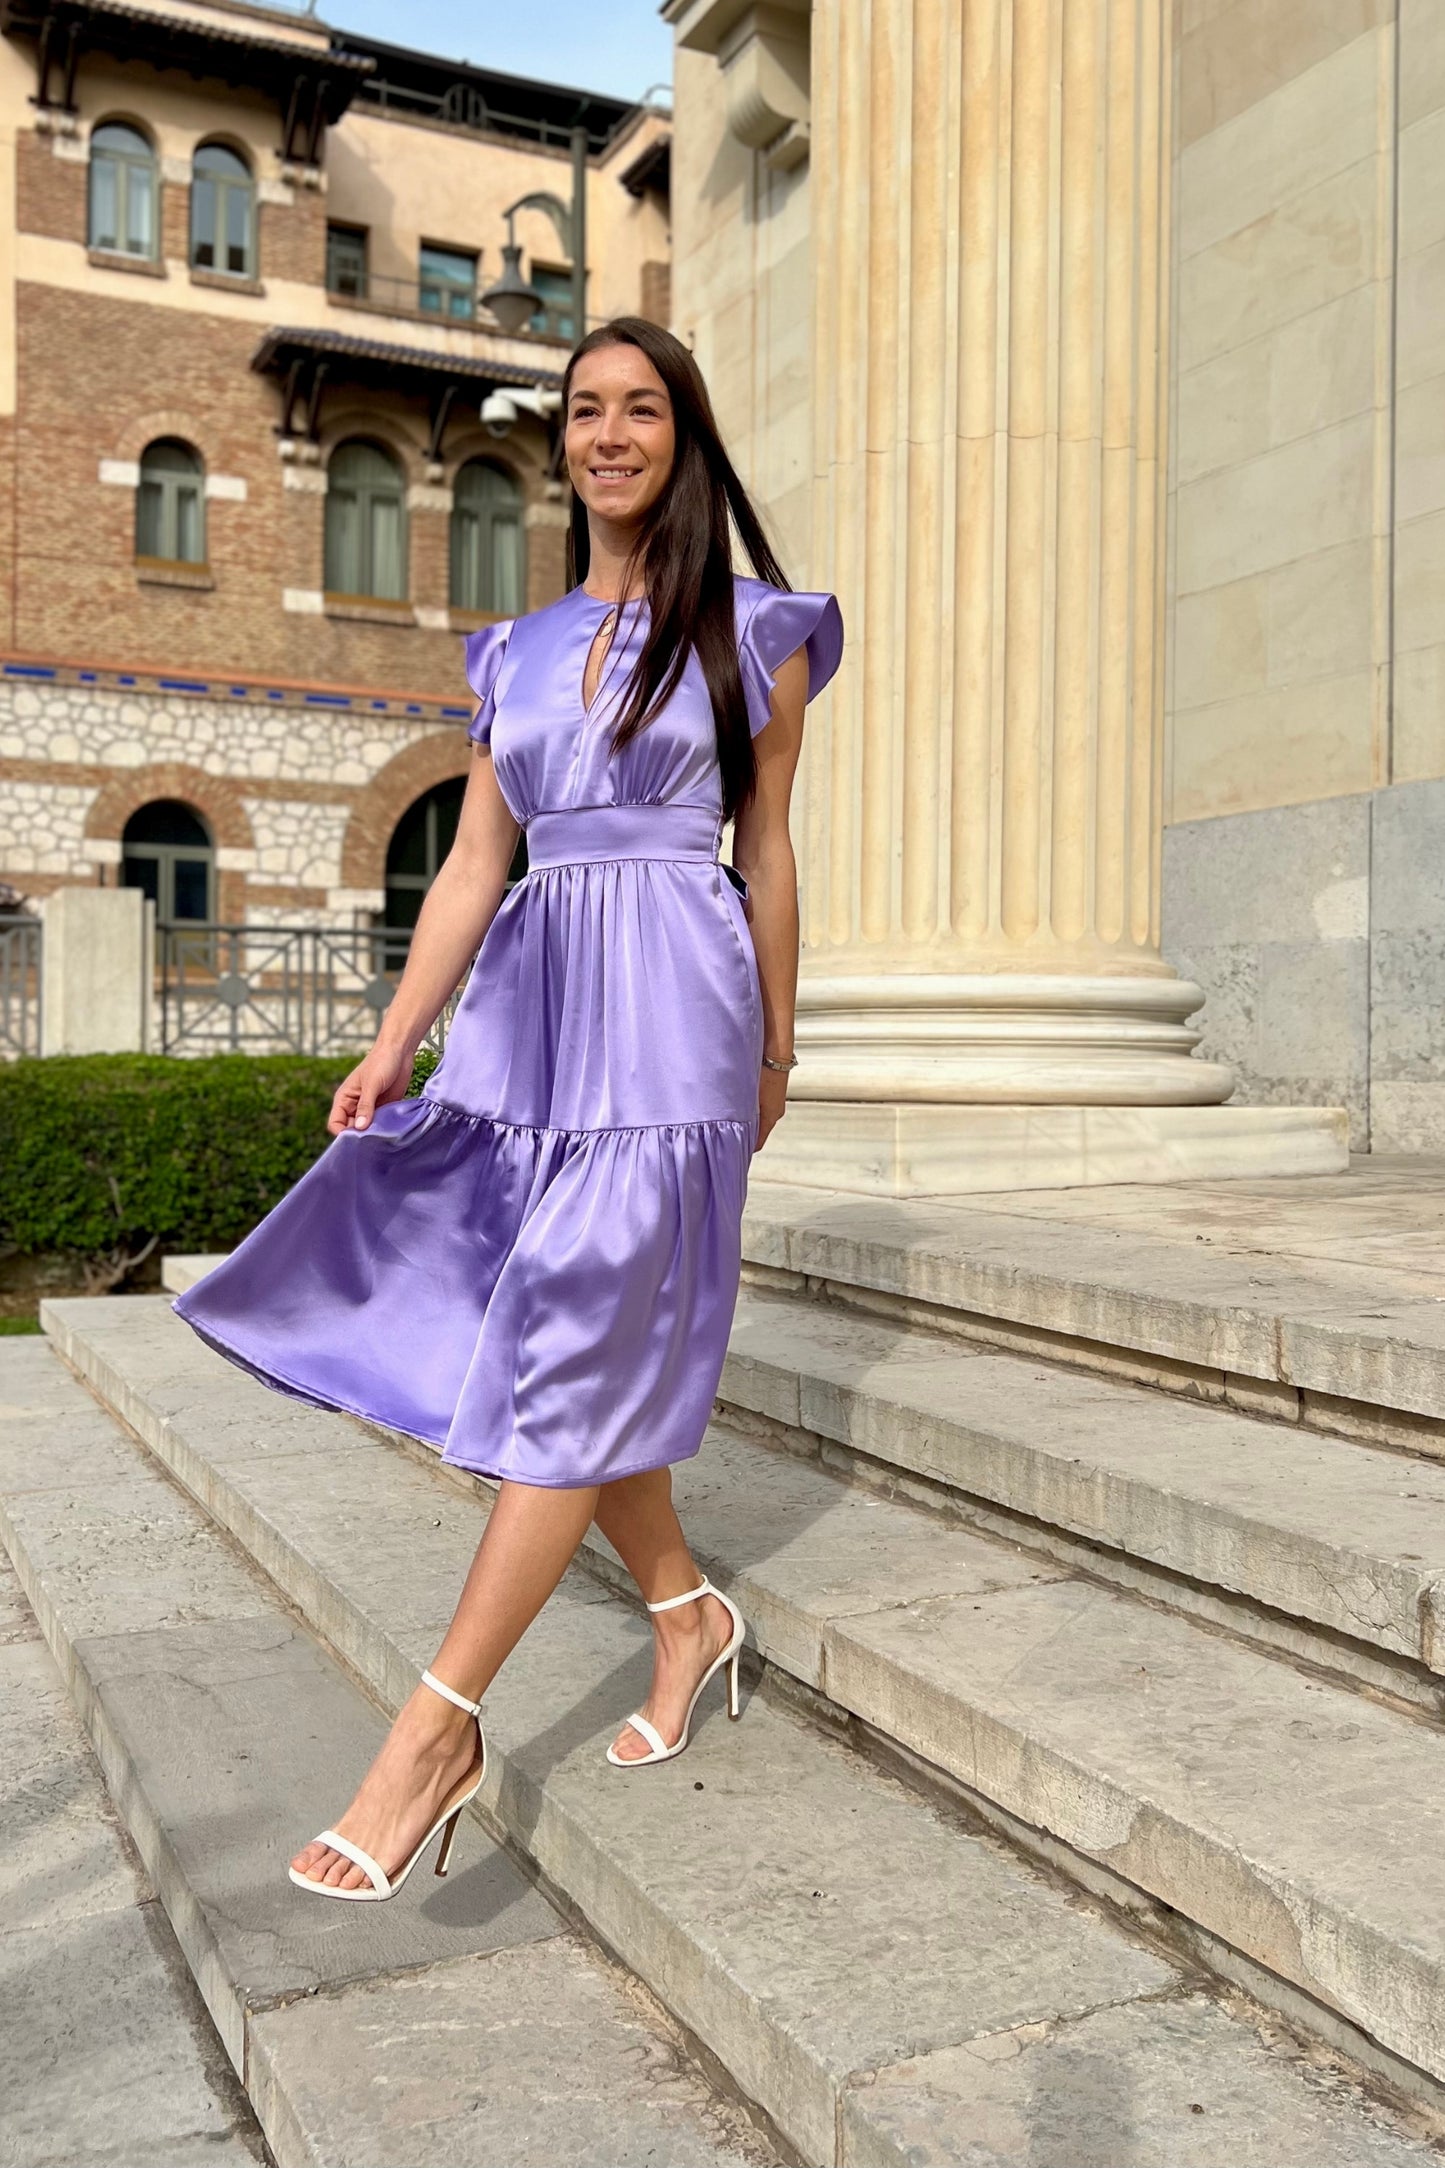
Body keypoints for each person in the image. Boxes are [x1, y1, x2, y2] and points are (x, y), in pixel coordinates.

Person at [172, 315, 844, 1899]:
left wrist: (774, 1053)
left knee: (570, 1351)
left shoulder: (757, 631)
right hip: (530, 1027)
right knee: (560, 1340)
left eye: (640, 409)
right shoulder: (514, 652)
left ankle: (433, 1732)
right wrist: (395, 1042)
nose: (608, 434)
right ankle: (686, 1613)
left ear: (683, 435)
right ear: (562, 442)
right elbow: (478, 861)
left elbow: (764, 852)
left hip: (675, 1022)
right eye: (583, 410)